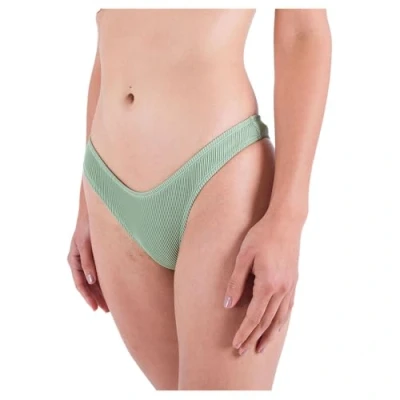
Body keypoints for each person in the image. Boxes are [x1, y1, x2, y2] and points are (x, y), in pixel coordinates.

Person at [67, 8, 331, 390]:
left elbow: (303, 33)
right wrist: (85, 202)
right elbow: (110, 30)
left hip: (217, 179)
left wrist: (288, 219)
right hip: (108, 185)